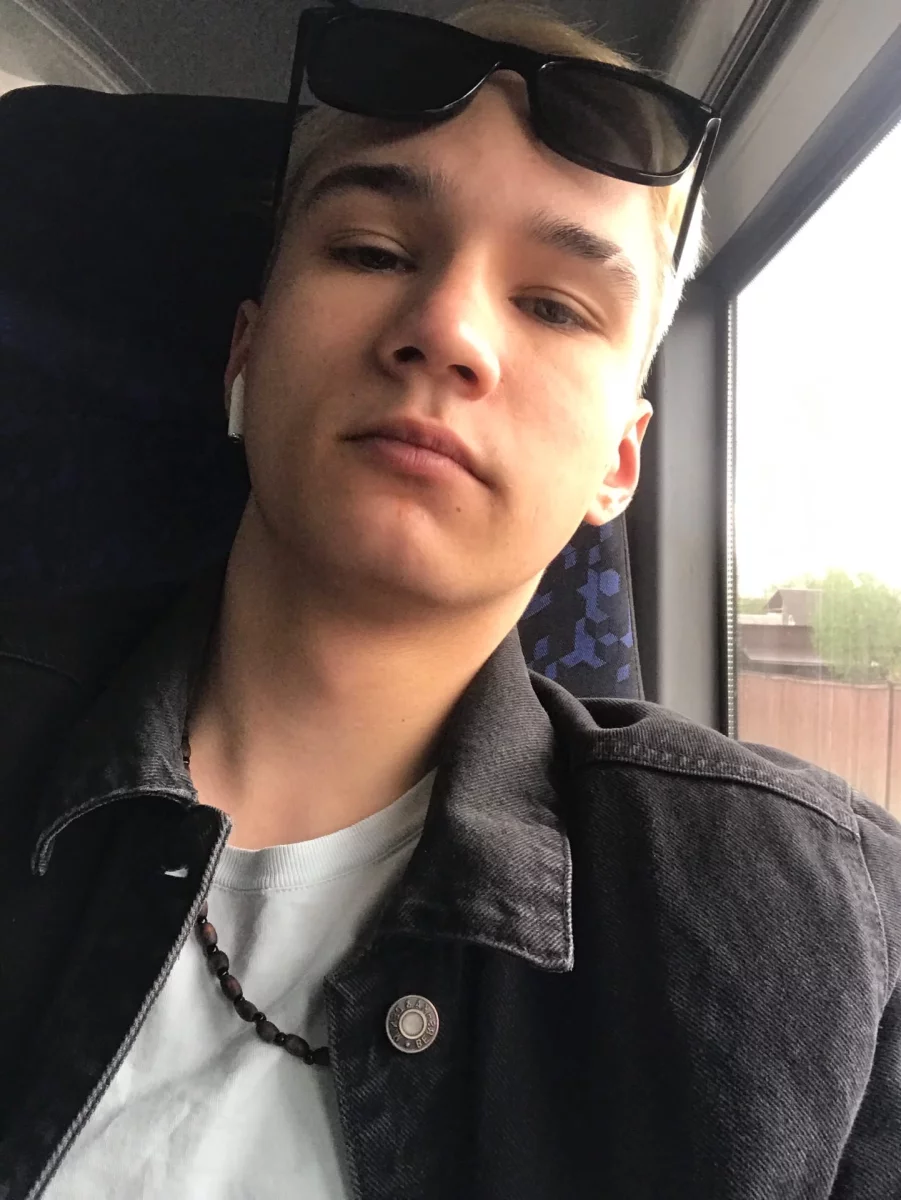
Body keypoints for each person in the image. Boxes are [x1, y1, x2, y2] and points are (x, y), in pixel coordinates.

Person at [2, 3, 899, 1198]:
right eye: (373, 251)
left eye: (554, 306)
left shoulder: (821, 930)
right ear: (243, 356)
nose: (446, 330)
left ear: (616, 463)